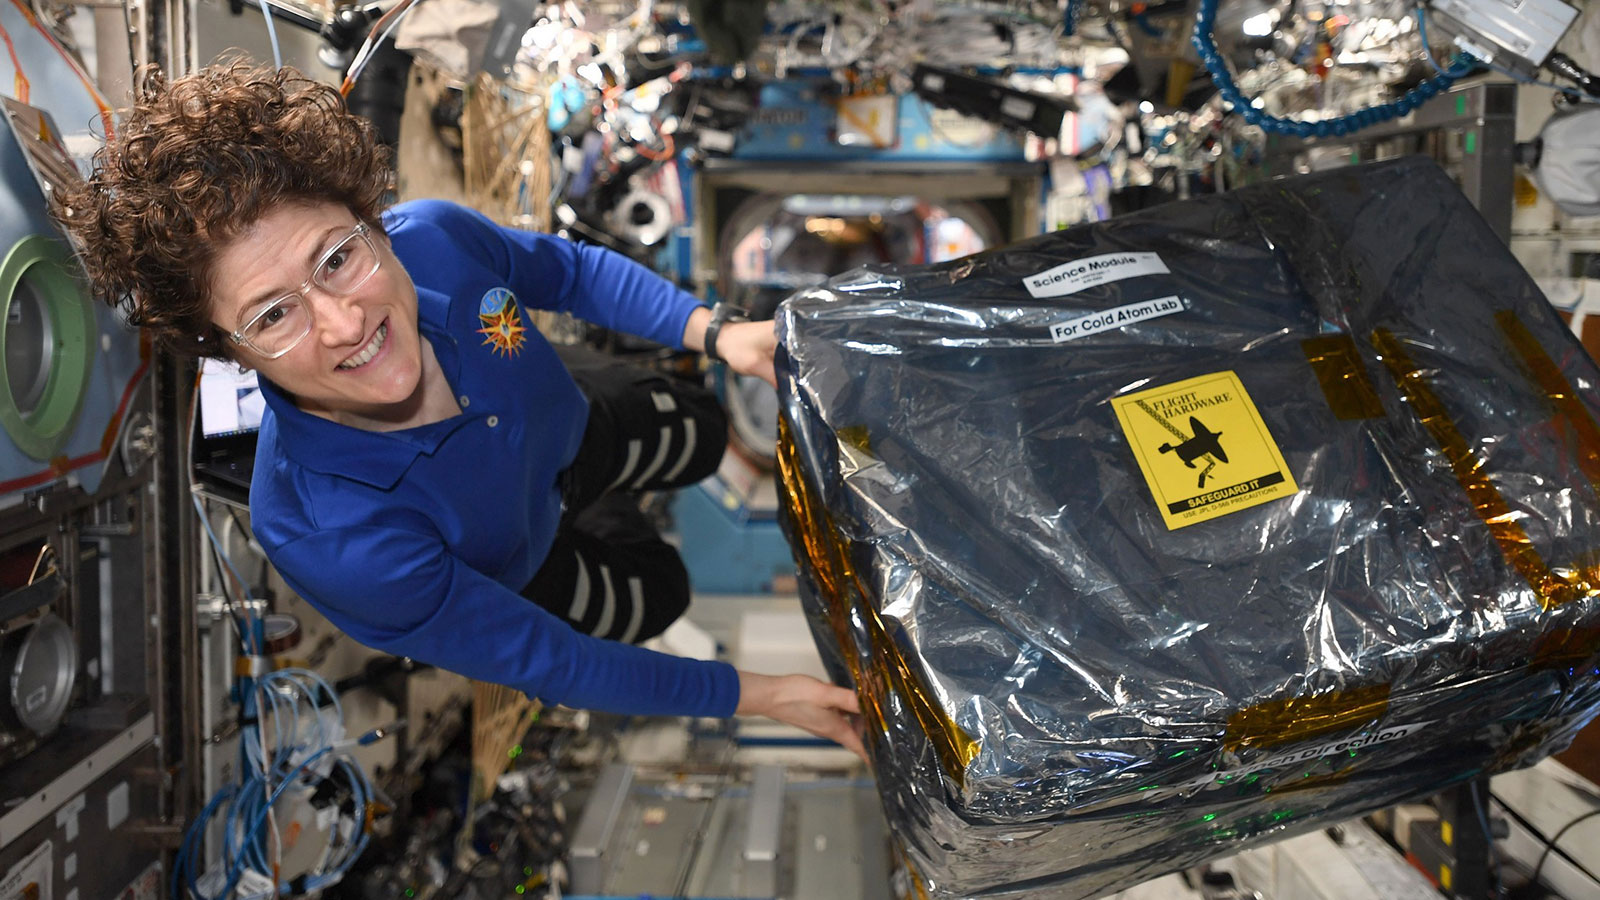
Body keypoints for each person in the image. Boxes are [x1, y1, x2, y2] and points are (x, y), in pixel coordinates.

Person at [54, 57, 864, 757]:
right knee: (662, 592)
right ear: (228, 353)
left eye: (337, 258)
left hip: (571, 426)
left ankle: (611, 480)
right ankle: (605, 529)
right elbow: (556, 661)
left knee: (705, 429)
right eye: (272, 315)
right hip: (523, 565)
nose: (344, 324)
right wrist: (758, 695)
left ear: (376, 224)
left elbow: (571, 274)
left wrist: (716, 333)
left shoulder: (438, 241)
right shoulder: (336, 538)